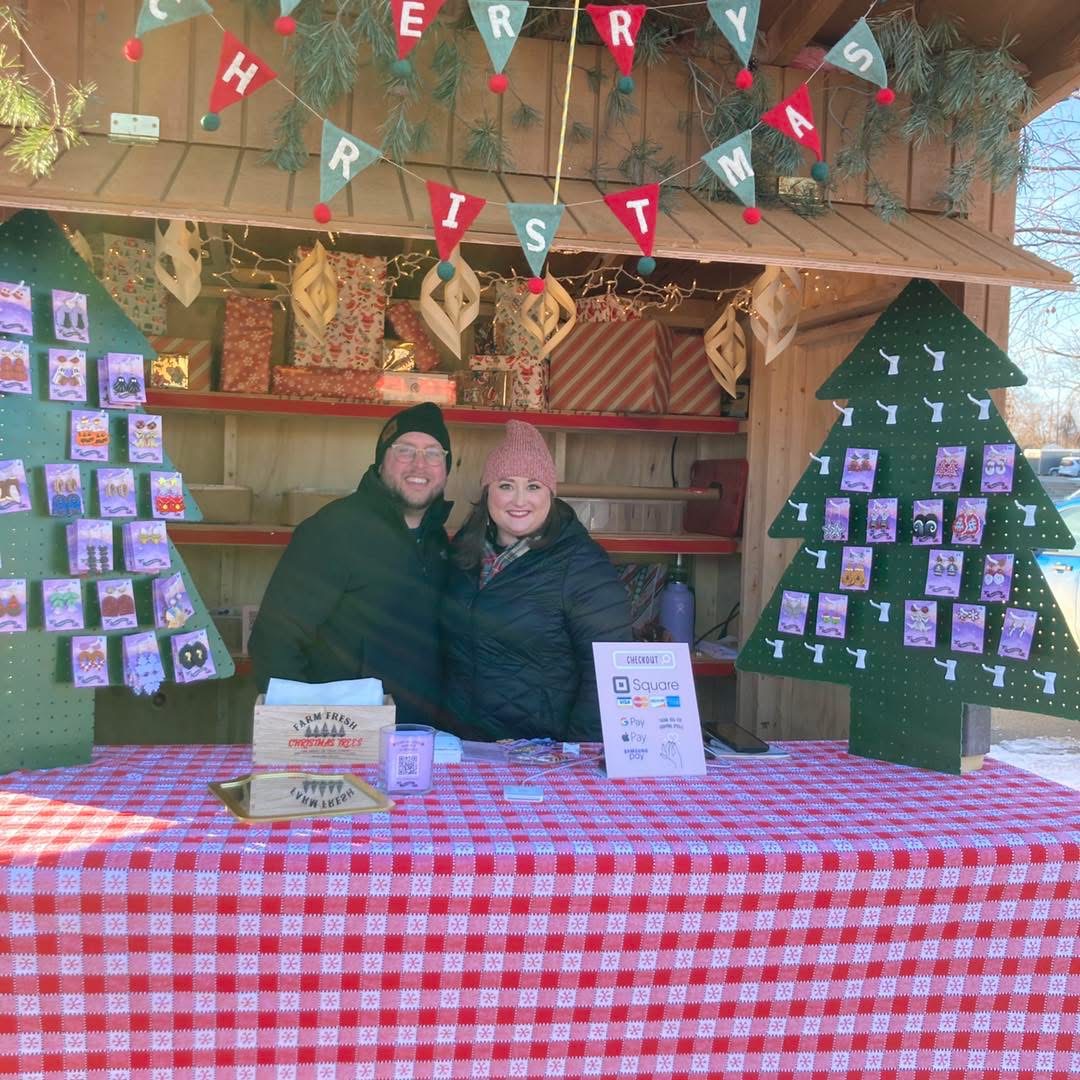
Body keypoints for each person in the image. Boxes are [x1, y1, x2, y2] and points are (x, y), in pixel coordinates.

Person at [249, 402, 452, 727]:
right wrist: (307, 729)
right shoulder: (333, 531)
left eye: (433, 453)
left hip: (420, 737)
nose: (419, 464)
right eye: (405, 451)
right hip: (344, 736)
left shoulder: (439, 541)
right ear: (381, 462)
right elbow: (274, 640)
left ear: (445, 467)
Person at [442, 419, 632, 742]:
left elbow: (609, 673)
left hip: (540, 754)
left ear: (550, 495)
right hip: (463, 747)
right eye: (506, 485)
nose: (519, 500)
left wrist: (575, 756)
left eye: (533, 486)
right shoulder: (464, 551)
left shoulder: (583, 564)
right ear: (488, 492)